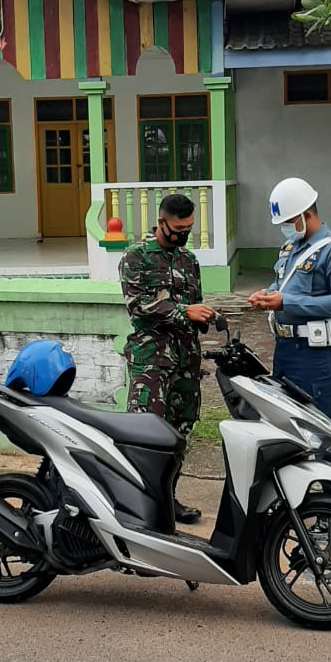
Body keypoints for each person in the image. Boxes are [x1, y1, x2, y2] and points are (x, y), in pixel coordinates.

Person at [247, 177, 331, 474]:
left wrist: (285, 303)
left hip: (317, 357)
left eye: (290, 221)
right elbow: (284, 284)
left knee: (324, 432)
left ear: (307, 214)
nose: (285, 227)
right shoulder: (290, 247)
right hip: (286, 352)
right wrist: (267, 294)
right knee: (289, 430)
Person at [118, 192, 216, 524]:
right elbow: (138, 305)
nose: (182, 234)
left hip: (185, 362)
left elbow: (194, 304)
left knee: (179, 433)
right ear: (161, 222)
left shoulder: (189, 261)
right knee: (147, 435)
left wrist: (205, 317)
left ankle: (167, 500)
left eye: (188, 228)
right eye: (177, 228)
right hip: (151, 362)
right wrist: (183, 311)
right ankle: (136, 508)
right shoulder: (137, 257)